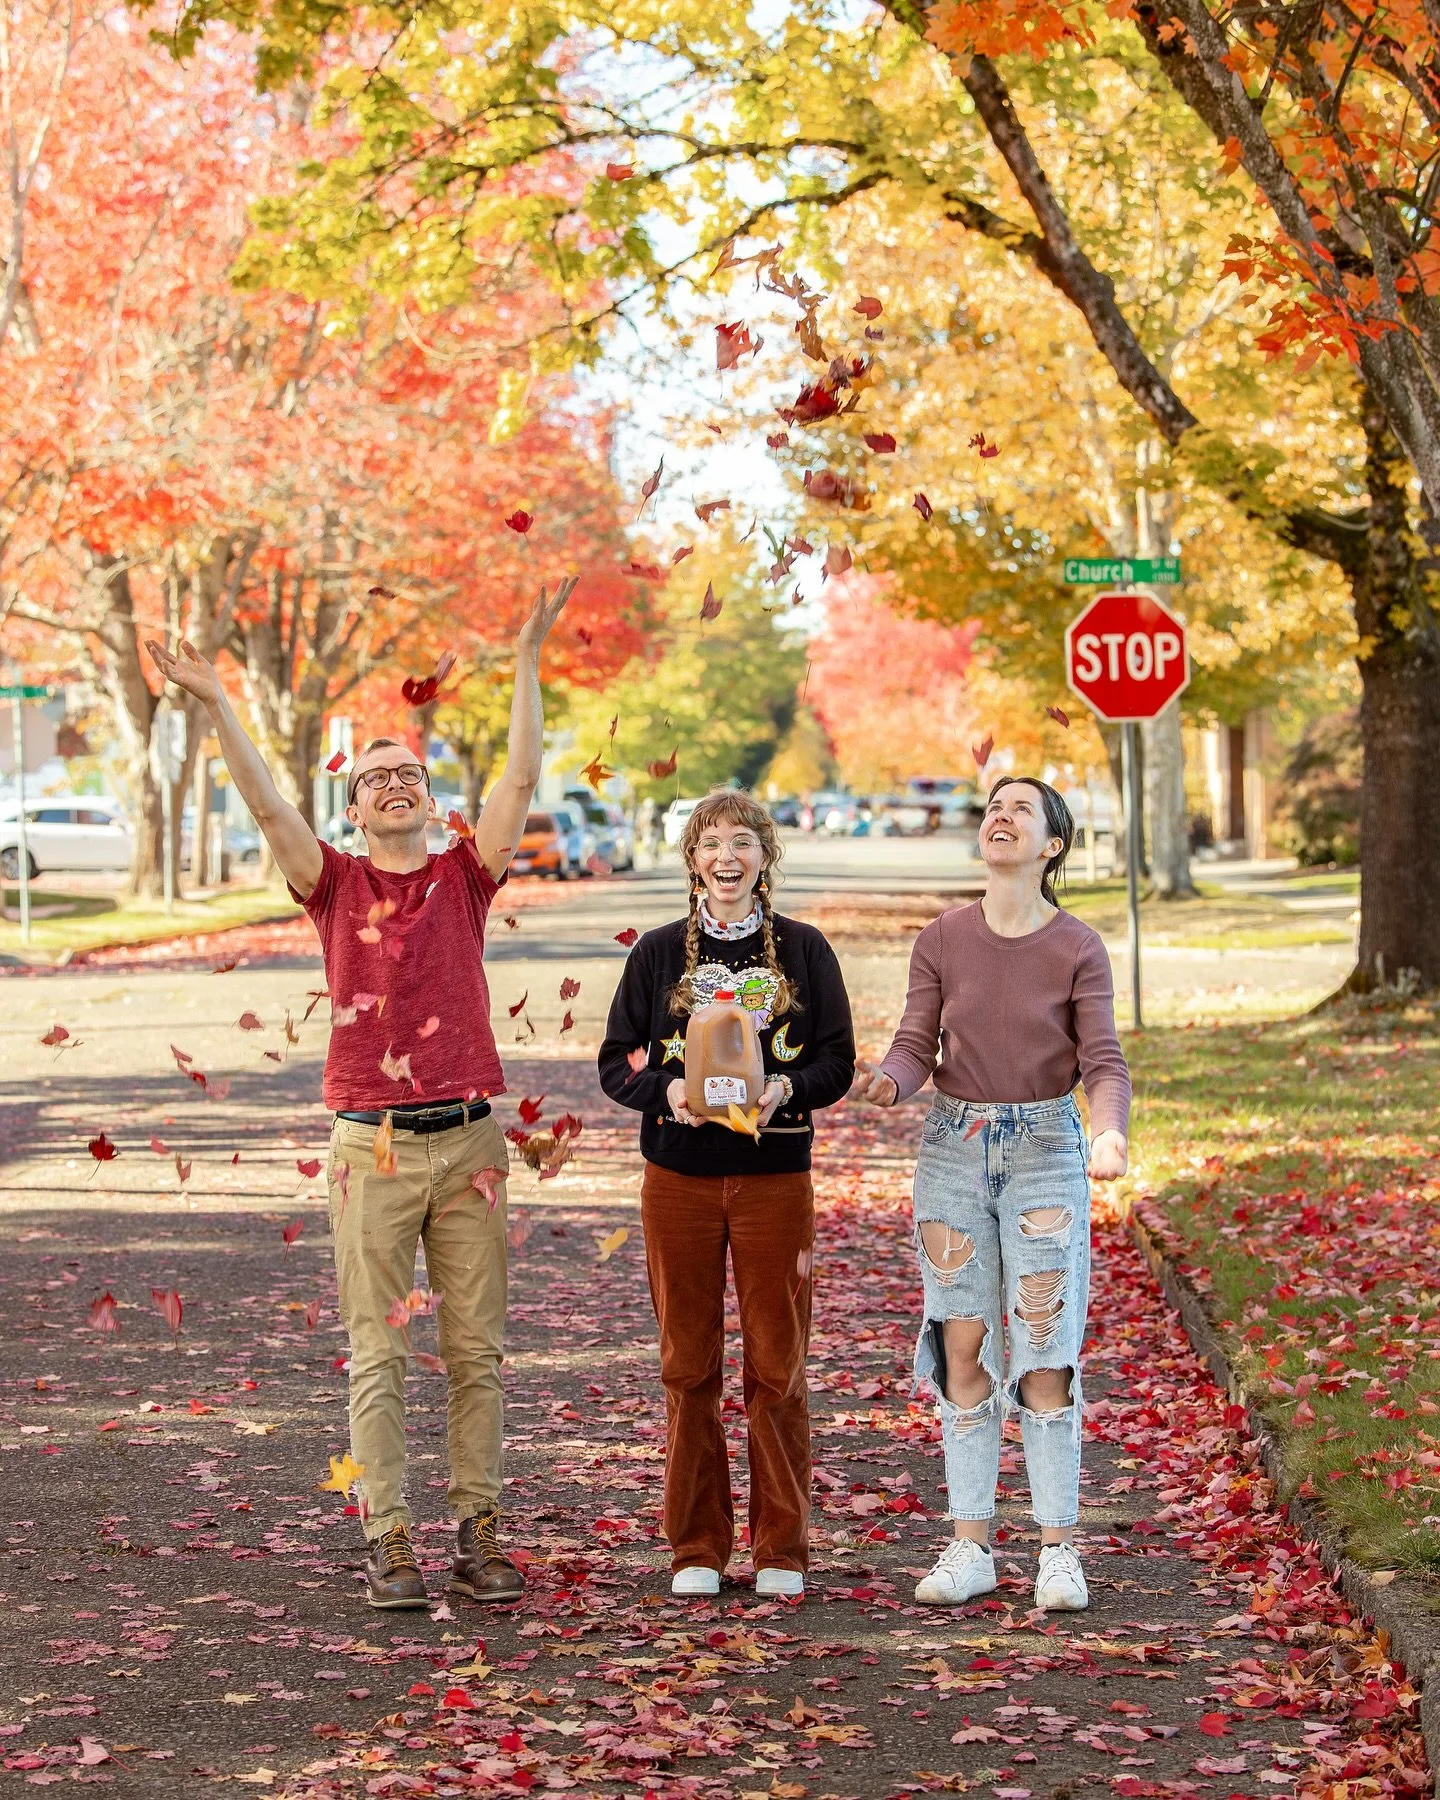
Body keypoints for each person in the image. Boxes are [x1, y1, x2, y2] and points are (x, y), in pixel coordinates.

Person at [145, 578, 577, 1611]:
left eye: (411, 773)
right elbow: (263, 802)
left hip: (470, 1144)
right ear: (353, 806)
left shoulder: (468, 875)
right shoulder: (333, 883)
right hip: (370, 1149)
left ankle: (477, 1531)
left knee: (477, 1354)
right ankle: (388, 1536)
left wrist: (524, 657)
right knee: (377, 1355)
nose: (396, 783)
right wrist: (214, 703)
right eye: (377, 775)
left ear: (432, 799)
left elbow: (521, 772)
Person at [850, 776, 1130, 1613]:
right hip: (953, 1152)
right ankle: (970, 1545)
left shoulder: (1077, 946)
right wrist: (891, 1086)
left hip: (1047, 1148)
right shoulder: (942, 938)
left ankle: (1058, 1552)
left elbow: (1103, 1061)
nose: (999, 816)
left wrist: (1109, 1131)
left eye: (1020, 809)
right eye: (992, 807)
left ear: (1052, 845)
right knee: (963, 1347)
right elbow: (915, 1043)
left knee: (1044, 1348)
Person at [598, 790, 855, 1600]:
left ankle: (782, 1545)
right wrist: (667, 1092)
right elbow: (616, 1063)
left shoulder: (807, 954)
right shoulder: (657, 953)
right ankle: (697, 1546)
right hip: (677, 1178)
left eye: (742, 841)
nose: (727, 857)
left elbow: (838, 1063)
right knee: (688, 1365)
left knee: (777, 1367)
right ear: (693, 860)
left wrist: (785, 1089)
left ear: (765, 857)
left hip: (775, 1179)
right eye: (711, 843)